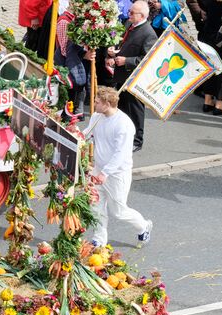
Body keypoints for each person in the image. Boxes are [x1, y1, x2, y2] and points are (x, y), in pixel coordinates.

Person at [84, 86, 153, 247]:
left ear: (107, 104)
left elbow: (120, 154)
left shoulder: (124, 125)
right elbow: (88, 133)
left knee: (119, 211)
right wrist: (79, 136)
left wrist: (105, 173)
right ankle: (99, 239)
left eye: (97, 102)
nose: (94, 104)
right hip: (98, 169)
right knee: (95, 206)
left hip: (117, 174)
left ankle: (144, 226)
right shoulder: (97, 116)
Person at [108, 0, 157, 152]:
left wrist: (127, 61)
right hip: (121, 76)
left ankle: (137, 140)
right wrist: (113, 50)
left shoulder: (149, 33)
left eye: (132, 12)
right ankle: (123, 137)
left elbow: (148, 59)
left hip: (134, 78)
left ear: (141, 15)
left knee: (135, 110)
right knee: (122, 109)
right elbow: (120, 40)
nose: (128, 14)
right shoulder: (129, 24)